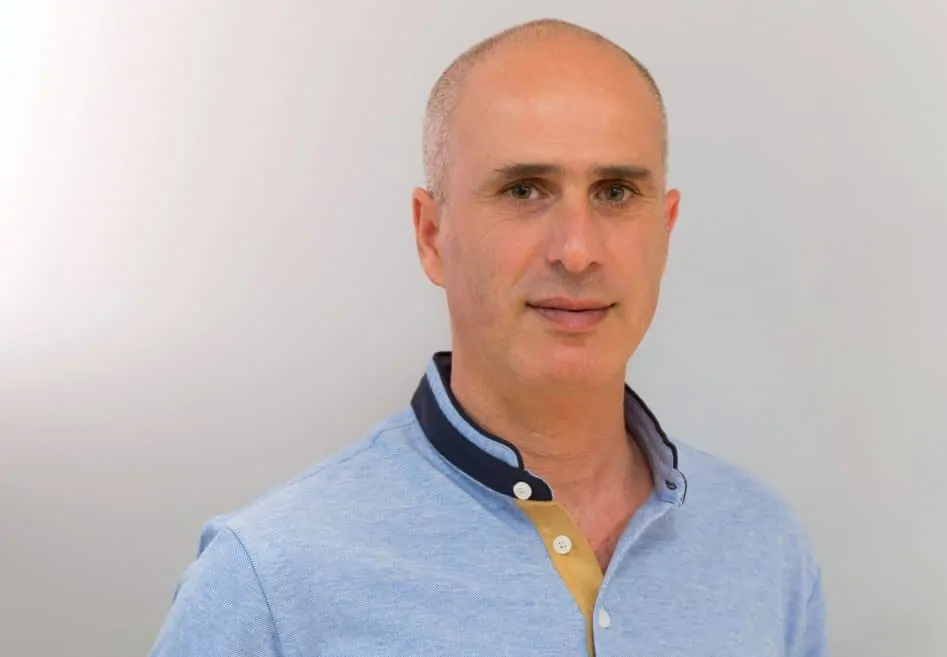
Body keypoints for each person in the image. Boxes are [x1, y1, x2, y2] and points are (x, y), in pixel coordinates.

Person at [150, 17, 827, 657]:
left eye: (616, 192)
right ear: (431, 235)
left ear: (665, 230)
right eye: (525, 190)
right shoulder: (269, 581)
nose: (577, 250)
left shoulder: (765, 548)